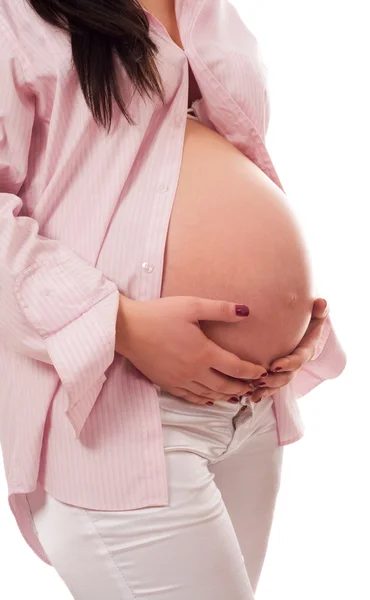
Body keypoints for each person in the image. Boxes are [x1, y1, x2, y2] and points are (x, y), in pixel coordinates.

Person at [0, 1, 347, 598]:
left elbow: (215, 156)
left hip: (249, 409)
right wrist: (121, 324)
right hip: (119, 404)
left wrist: (291, 312)